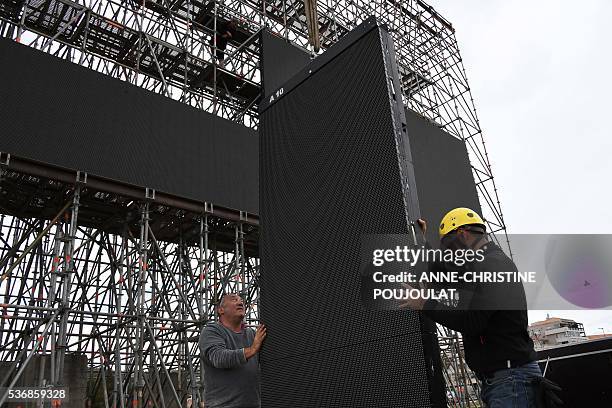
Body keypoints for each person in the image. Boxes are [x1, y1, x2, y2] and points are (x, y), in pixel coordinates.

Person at [400, 207, 561, 408]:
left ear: (463, 234)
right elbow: (443, 272)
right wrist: (421, 239)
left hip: (511, 379)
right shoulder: (481, 264)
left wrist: (424, 303)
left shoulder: (492, 266)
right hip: (506, 379)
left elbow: (472, 322)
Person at [200, 293, 267, 408]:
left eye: (241, 301)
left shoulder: (252, 334)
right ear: (221, 310)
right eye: (234, 299)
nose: (240, 302)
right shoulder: (211, 331)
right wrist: (252, 349)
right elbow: (219, 358)